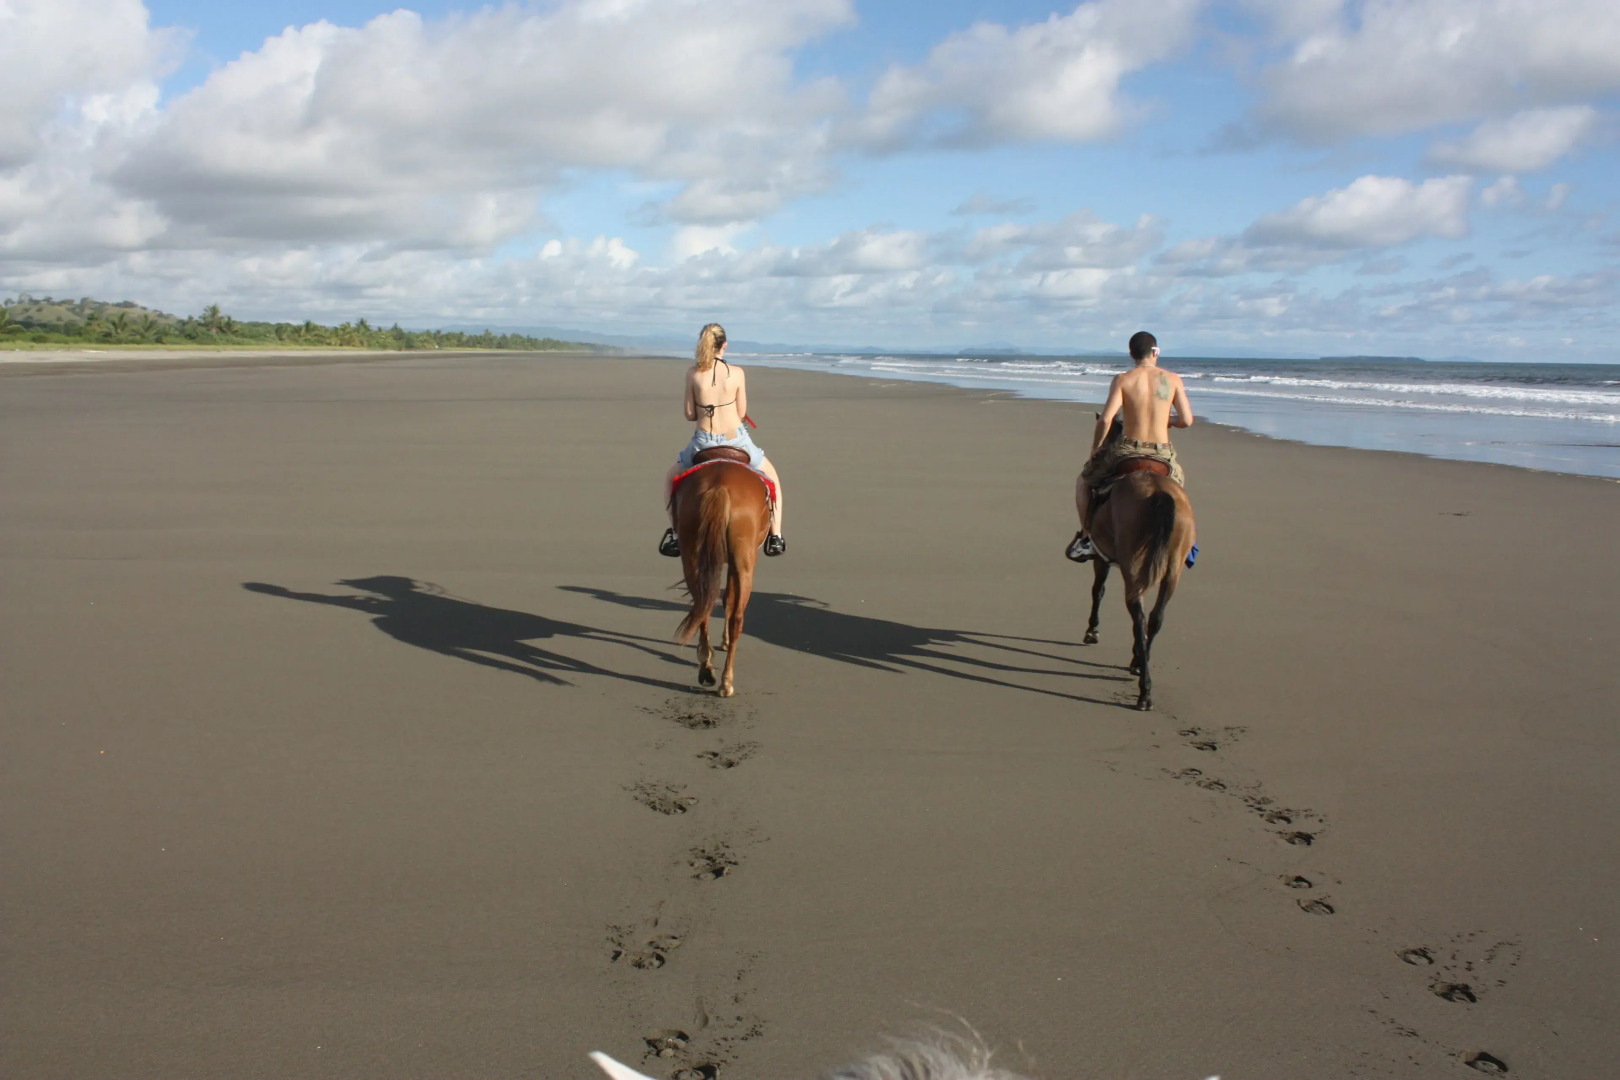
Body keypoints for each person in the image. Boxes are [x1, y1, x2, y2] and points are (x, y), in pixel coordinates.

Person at [659, 323, 786, 557]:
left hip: (703, 443)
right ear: (724, 345)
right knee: (773, 479)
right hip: (736, 441)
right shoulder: (737, 373)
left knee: (669, 478)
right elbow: (740, 412)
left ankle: (676, 535)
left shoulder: (693, 373)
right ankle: (776, 537)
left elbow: (689, 414)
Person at [1067, 330, 1193, 561]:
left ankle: (1087, 539)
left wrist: (1096, 449)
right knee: (1178, 487)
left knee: (1084, 481)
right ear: (1155, 352)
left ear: (1131, 354)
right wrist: (1167, 420)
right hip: (1162, 452)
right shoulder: (1172, 379)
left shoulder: (1123, 379)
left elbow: (1105, 419)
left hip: (1128, 449)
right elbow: (1186, 420)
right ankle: (1186, 543)